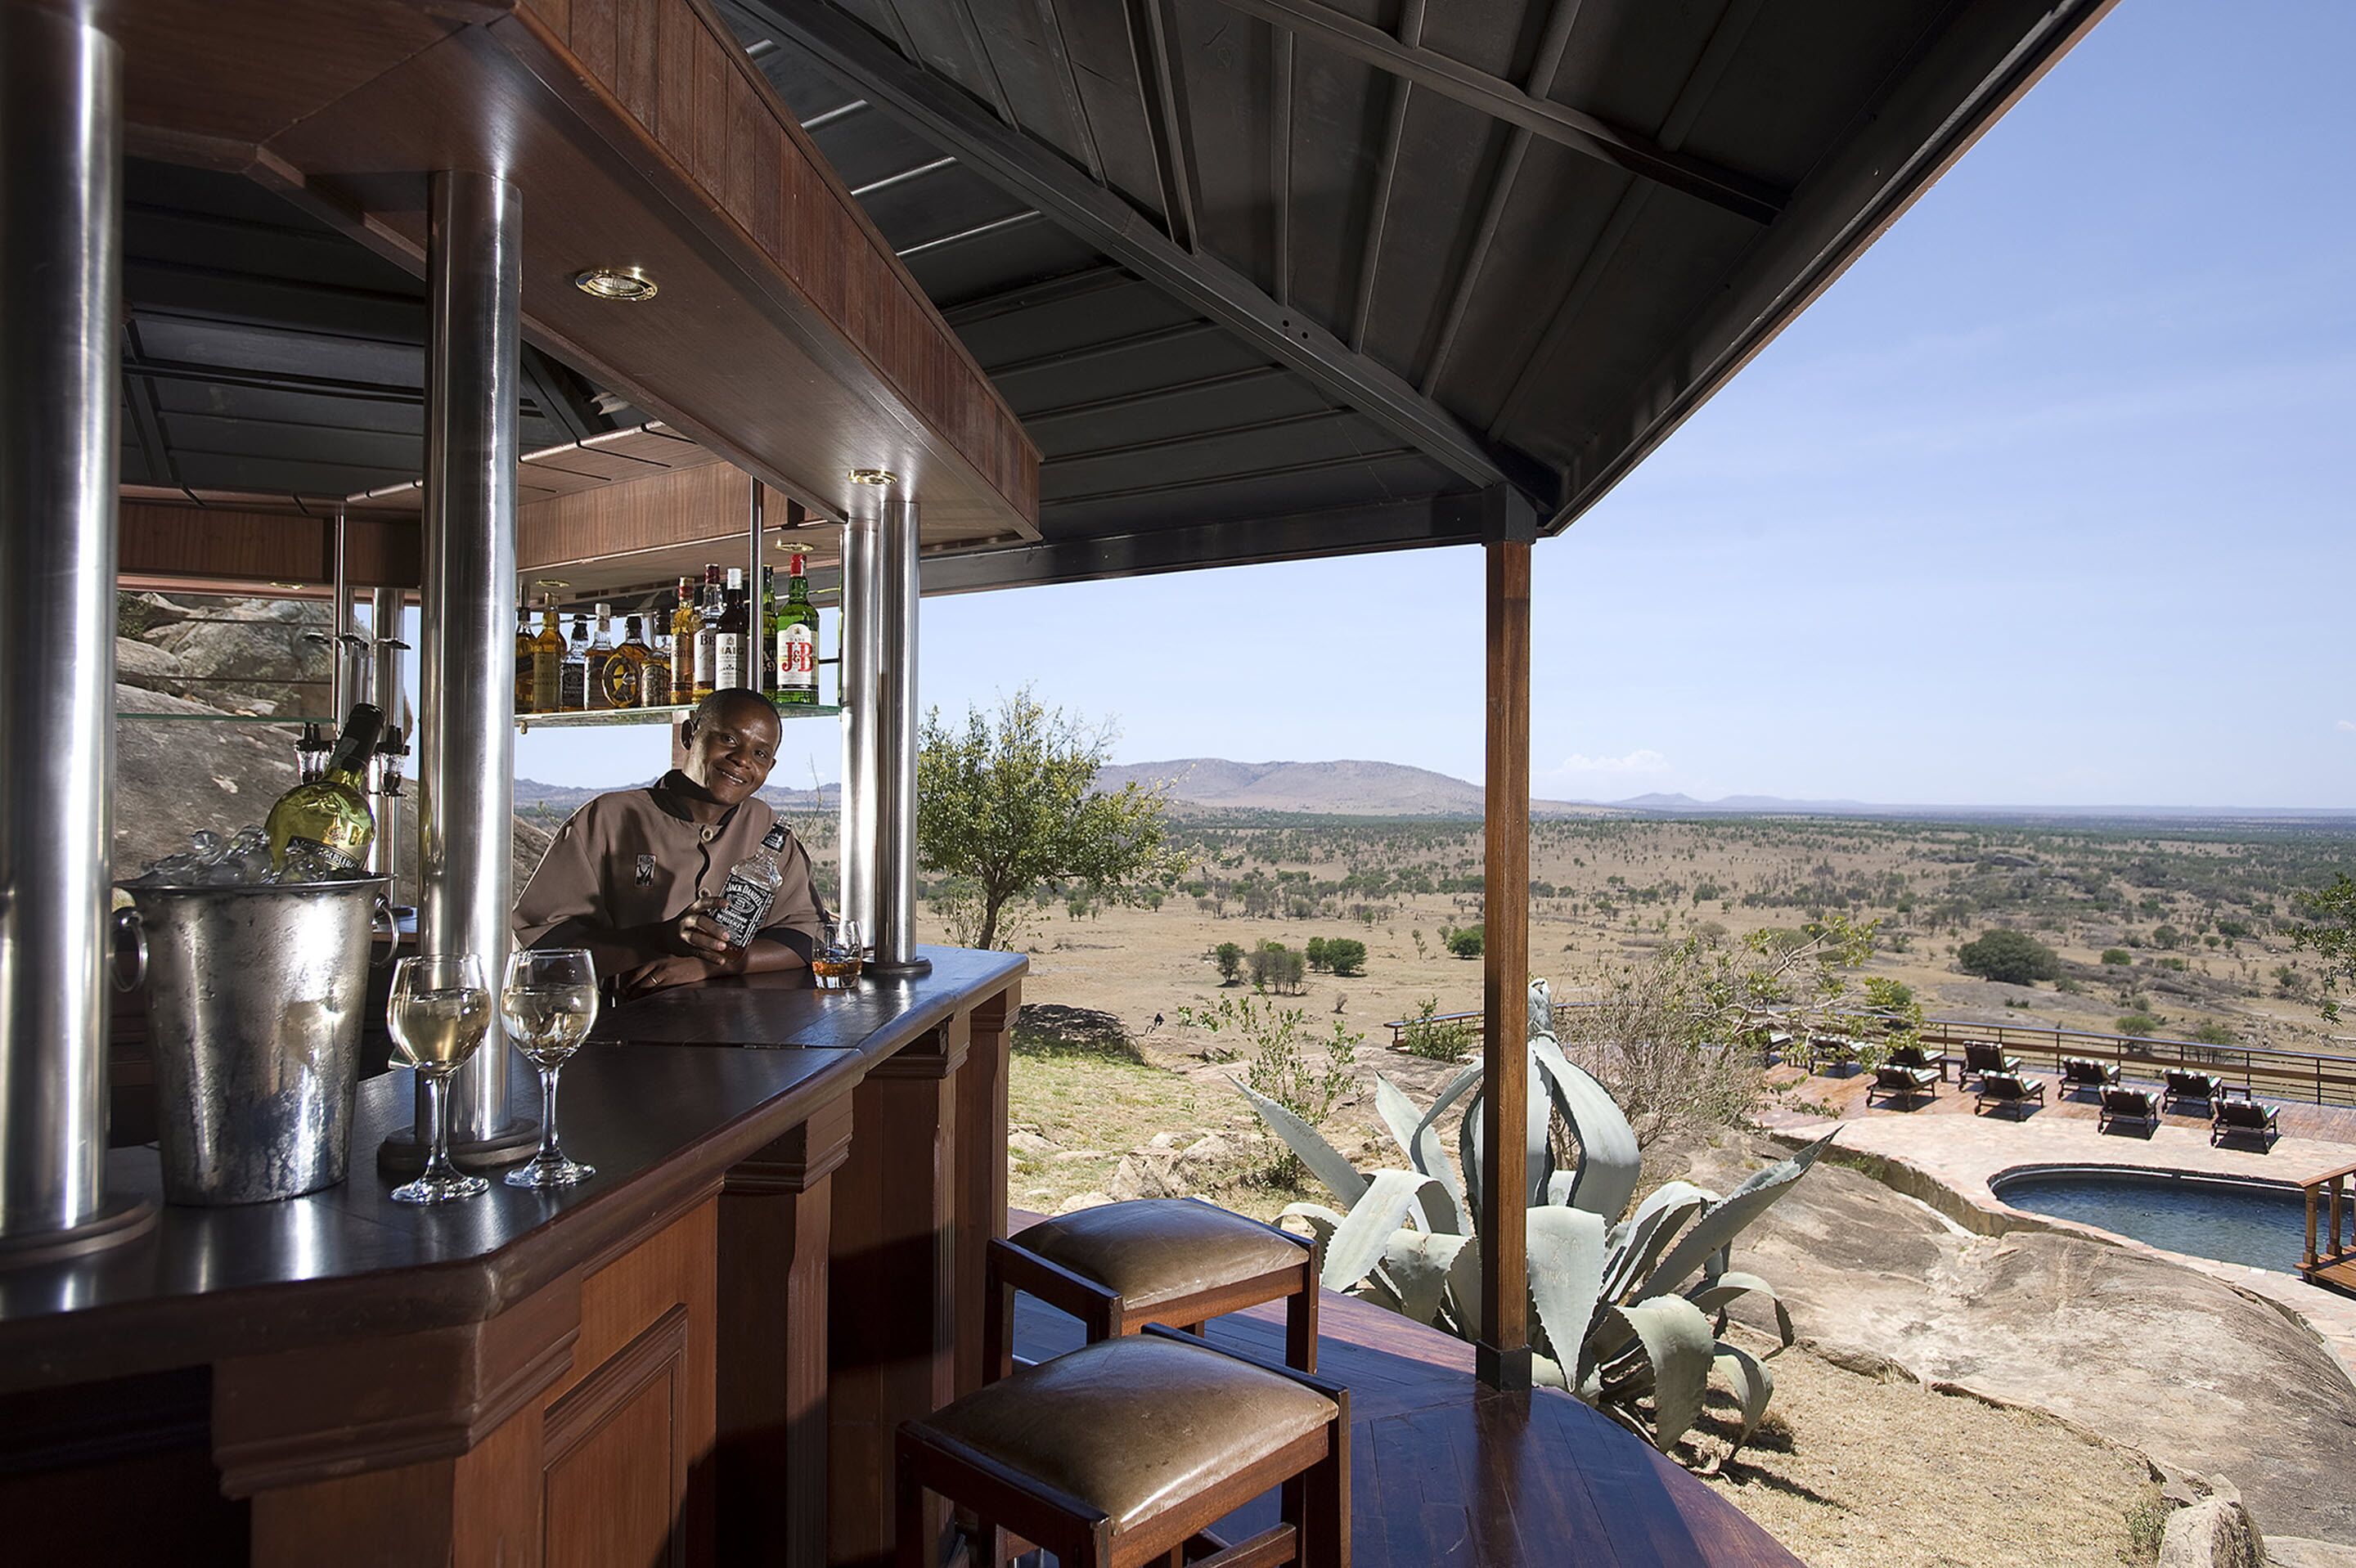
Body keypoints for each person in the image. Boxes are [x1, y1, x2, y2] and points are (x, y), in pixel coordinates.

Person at [513, 687, 824, 1000]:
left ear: (770, 766)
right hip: (622, 1028)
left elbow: (806, 936)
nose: (742, 759)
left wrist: (707, 965)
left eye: (760, 753)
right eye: (728, 739)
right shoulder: (607, 818)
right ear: (690, 734)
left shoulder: (766, 828)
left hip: (737, 1031)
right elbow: (545, 950)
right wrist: (659, 939)